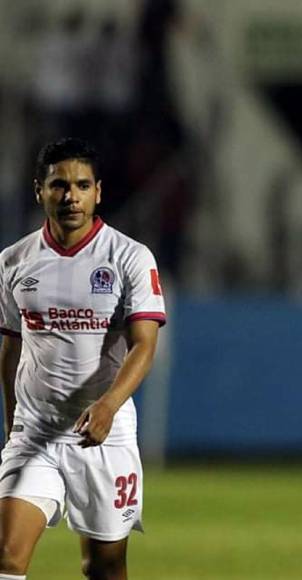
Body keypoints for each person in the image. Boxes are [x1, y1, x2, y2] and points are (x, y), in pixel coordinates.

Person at [0, 138, 166, 579]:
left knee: (104, 568)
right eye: (58, 185)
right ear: (39, 191)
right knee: (6, 556)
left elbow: (144, 345)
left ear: (98, 191)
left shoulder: (128, 256)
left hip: (103, 436)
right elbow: (12, 347)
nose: (70, 196)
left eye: (81, 185)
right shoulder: (13, 262)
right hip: (34, 433)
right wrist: (12, 419)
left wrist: (109, 406)